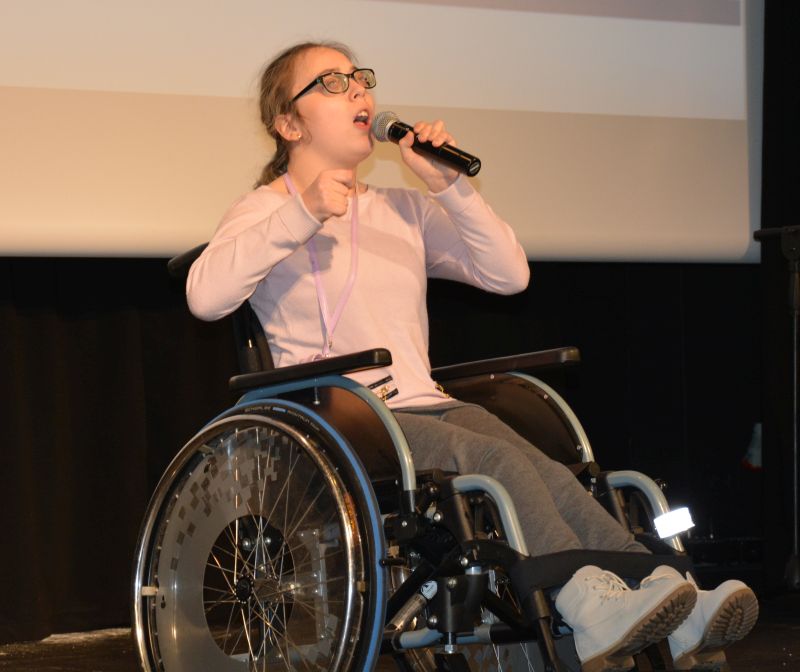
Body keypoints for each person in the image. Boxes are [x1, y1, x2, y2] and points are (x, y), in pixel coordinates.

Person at [186, 41, 757, 671]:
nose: (358, 91)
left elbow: (509, 275)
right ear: (288, 124)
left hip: (424, 404)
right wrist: (302, 212)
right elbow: (205, 297)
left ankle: (662, 595)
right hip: (342, 416)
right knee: (492, 460)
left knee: (547, 470)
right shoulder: (265, 209)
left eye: (359, 78)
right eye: (331, 83)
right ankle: (584, 601)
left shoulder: (401, 208)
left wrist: (449, 187)